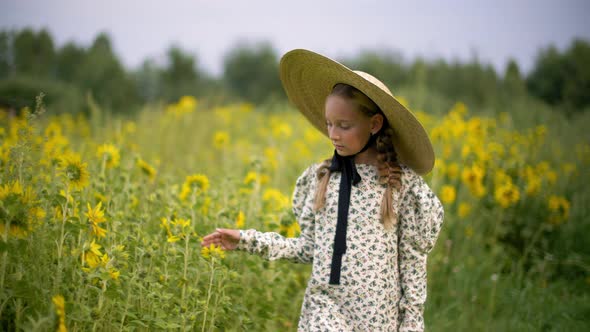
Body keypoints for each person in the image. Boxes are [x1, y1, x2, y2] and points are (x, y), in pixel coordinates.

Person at [201, 49, 444, 332]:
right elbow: (309, 249)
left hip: (377, 319)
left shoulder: (401, 186)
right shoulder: (321, 178)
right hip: (324, 309)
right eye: (329, 124)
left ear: (375, 124)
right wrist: (245, 239)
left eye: (344, 125)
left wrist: (411, 325)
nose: (333, 134)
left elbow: (412, 266)